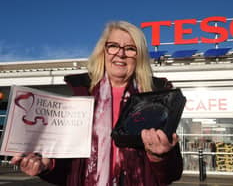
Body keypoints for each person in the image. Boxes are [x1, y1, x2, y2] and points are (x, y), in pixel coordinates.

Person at [11, 20, 183, 186]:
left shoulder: (156, 100)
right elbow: (68, 172)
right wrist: (47, 167)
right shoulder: (78, 97)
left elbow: (171, 174)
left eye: (131, 49)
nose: (121, 54)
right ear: (103, 51)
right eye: (113, 46)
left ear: (139, 57)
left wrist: (161, 156)